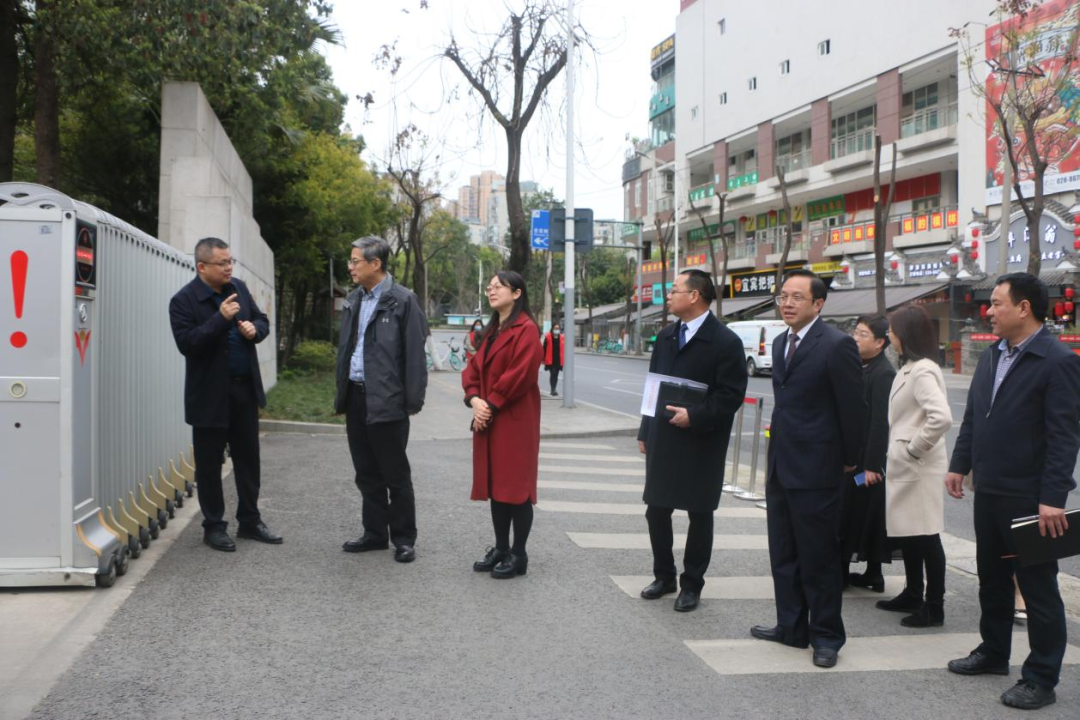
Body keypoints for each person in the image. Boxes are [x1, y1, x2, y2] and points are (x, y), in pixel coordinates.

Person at [946, 272, 1080, 711]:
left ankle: (1041, 677)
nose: (989, 310)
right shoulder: (991, 355)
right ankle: (993, 652)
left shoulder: (1057, 360)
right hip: (990, 489)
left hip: (1029, 497)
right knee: (993, 578)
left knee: (1038, 588)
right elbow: (975, 418)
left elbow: (1063, 437)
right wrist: (959, 465)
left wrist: (1053, 498)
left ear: (1024, 308)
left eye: (998, 303)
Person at [751, 269, 864, 668]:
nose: (787, 303)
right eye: (783, 296)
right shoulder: (781, 341)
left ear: (818, 304)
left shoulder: (836, 345)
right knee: (783, 551)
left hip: (819, 467)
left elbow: (853, 409)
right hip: (782, 462)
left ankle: (827, 636)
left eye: (797, 297)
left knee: (818, 556)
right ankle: (791, 626)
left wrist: (851, 461)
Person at [637, 270, 747, 612]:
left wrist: (695, 416)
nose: (668, 296)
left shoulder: (725, 342)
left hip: (703, 441)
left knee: (700, 513)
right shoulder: (667, 336)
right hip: (664, 437)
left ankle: (692, 584)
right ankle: (664, 575)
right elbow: (653, 386)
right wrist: (645, 430)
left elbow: (731, 395)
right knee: (657, 509)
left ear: (695, 296)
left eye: (674, 290)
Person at [169, 237, 281, 552]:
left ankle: (250, 521)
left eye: (230, 261)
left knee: (248, 460)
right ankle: (214, 526)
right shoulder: (184, 301)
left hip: (244, 390)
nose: (229, 267)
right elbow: (187, 344)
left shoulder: (240, 289)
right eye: (223, 263)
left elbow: (262, 320)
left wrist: (255, 331)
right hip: (209, 396)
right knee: (209, 464)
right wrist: (221, 319)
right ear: (202, 267)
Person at [335, 236, 427, 563]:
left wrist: (411, 402)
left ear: (376, 264)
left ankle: (403, 538)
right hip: (357, 397)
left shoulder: (402, 301)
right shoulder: (354, 300)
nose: (351, 266)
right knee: (366, 472)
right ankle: (374, 534)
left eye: (355, 260)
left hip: (388, 400)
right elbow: (347, 349)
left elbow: (415, 356)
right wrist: (341, 394)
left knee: (394, 473)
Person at [462, 271, 542, 578]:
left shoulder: (527, 330)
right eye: (489, 287)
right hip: (489, 416)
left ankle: (519, 554)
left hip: (514, 420)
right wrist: (473, 399)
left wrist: (489, 404)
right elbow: (472, 369)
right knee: (497, 485)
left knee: (517, 488)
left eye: (498, 287)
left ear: (517, 293)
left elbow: (520, 375)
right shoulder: (493, 329)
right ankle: (501, 547)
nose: (491, 290)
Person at [877, 305, 952, 628]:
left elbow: (941, 417)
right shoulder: (910, 367)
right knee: (910, 533)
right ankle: (912, 592)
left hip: (918, 467)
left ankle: (934, 605)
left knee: (926, 536)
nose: (888, 335)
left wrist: (913, 449)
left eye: (892, 330)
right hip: (908, 466)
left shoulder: (922, 370)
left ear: (904, 335)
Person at [839, 315, 895, 593]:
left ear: (880, 342)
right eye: (855, 332)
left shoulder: (883, 373)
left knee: (856, 511)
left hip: (868, 462)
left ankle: (847, 571)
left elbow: (879, 422)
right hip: (858, 454)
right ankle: (872, 573)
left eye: (862, 334)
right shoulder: (862, 366)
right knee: (863, 513)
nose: (855, 338)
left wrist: (872, 465)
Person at [542, 322, 565, 396]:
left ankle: (554, 388)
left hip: (558, 360)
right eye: (555, 328)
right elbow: (544, 348)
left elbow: (564, 349)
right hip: (550, 359)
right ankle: (553, 390)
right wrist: (543, 359)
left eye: (558, 328)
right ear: (552, 328)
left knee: (556, 375)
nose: (557, 330)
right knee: (553, 373)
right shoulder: (548, 337)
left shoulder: (561, 338)